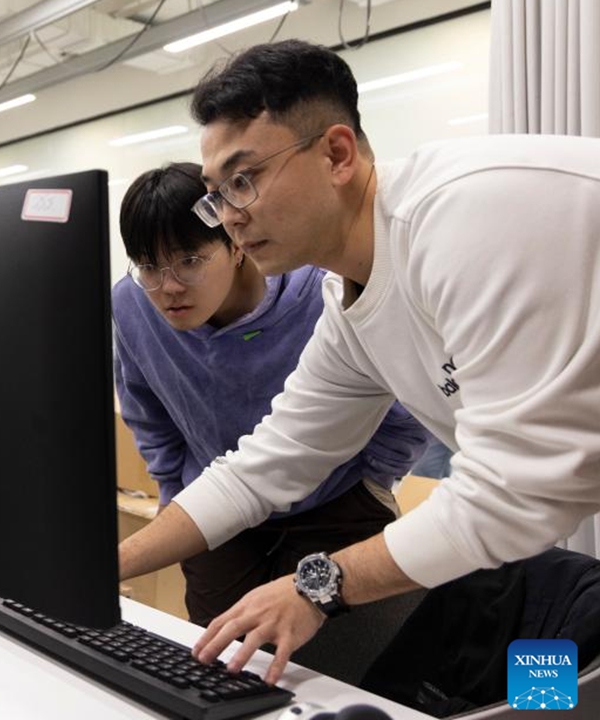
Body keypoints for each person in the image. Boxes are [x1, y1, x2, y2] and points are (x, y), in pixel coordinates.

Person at [118, 38, 600, 686]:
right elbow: (266, 466)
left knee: (538, 682)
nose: (230, 216)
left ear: (337, 154)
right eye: (217, 194)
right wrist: (110, 561)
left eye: (243, 180)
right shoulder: (347, 301)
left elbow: (510, 494)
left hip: (528, 551)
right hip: (522, 550)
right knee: (480, 676)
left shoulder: (459, 219)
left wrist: (315, 585)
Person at [112, 162, 428, 625]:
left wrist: (372, 482)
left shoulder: (320, 291)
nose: (169, 288)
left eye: (190, 261)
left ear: (235, 245)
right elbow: (148, 413)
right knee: (216, 656)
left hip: (335, 500)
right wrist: (172, 489)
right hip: (215, 506)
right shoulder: (133, 303)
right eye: (149, 268)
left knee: (334, 662)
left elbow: (404, 402)